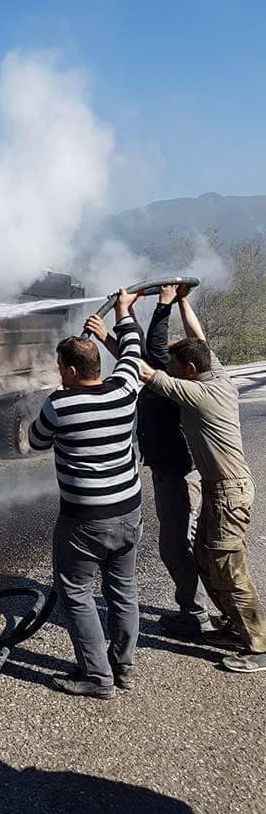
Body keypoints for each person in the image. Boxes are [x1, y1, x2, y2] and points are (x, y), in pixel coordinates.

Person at [138, 288, 266, 672]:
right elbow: (199, 340)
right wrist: (181, 302)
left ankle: (259, 645)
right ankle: (233, 625)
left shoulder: (196, 393)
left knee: (229, 569)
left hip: (229, 493)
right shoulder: (216, 373)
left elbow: (146, 369)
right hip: (221, 490)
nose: (171, 369)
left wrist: (152, 309)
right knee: (208, 561)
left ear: (189, 371)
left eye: (175, 366)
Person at [28, 288, 142, 699]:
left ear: (74, 372)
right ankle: (123, 667)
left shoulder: (60, 404)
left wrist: (51, 406)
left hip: (84, 522)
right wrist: (124, 315)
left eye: (61, 367)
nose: (58, 373)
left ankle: (97, 677)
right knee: (123, 591)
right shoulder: (124, 390)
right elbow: (132, 352)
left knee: (76, 593)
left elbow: (35, 441)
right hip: (129, 513)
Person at [92, 285, 213, 638]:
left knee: (178, 548)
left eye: (170, 359)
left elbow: (153, 353)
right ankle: (200, 609)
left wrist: (160, 306)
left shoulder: (174, 383)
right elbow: (139, 366)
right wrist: (181, 301)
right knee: (179, 545)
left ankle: (196, 615)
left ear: (182, 368)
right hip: (171, 472)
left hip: (177, 475)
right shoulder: (174, 379)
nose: (165, 360)